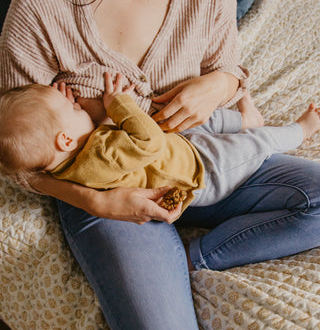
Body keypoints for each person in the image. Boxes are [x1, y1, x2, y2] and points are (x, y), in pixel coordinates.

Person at [1, 0, 320, 330]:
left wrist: (219, 83)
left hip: (197, 160)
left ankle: (195, 260)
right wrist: (98, 199)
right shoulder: (42, 5)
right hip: (110, 193)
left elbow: (230, 69)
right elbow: (21, 160)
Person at [1, 73, 319, 222]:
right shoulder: (99, 154)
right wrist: (117, 105)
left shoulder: (71, 163)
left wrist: (57, 109)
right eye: (73, 110)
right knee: (257, 144)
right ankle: (299, 131)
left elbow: (115, 146)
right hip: (205, 171)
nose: (79, 106)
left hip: (178, 150)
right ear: (65, 140)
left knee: (199, 119)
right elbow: (147, 141)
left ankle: (246, 121)